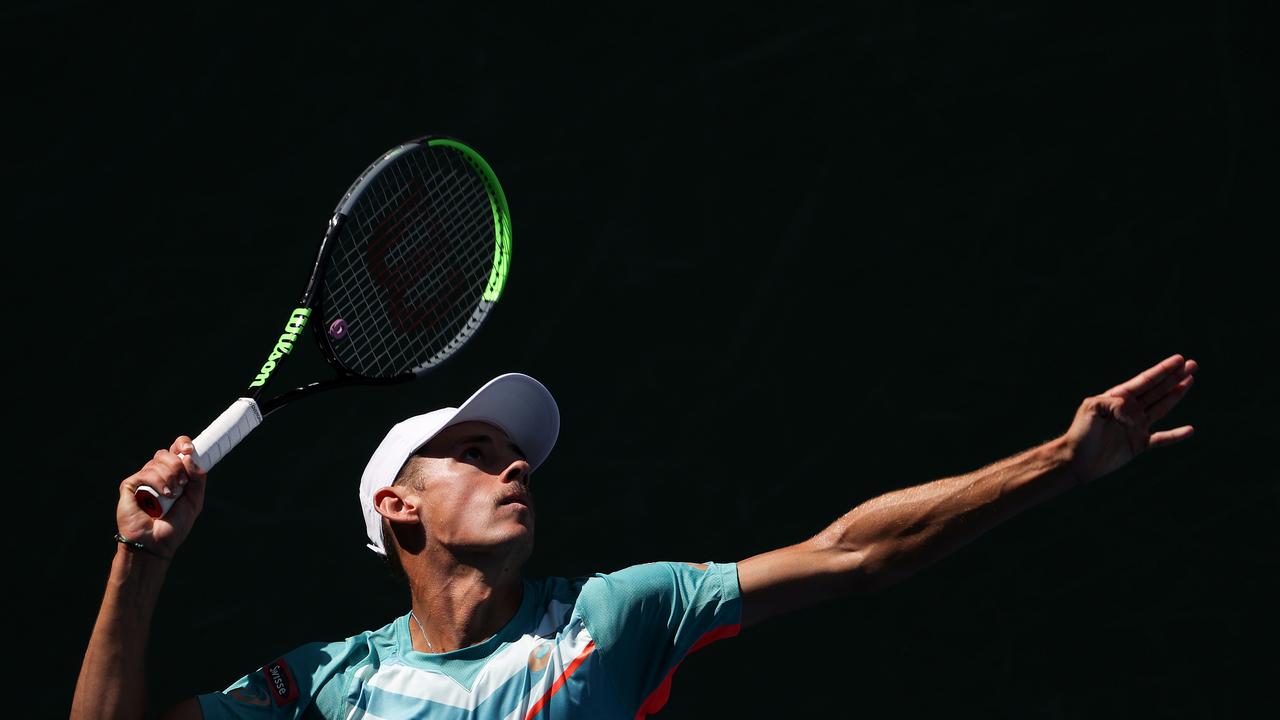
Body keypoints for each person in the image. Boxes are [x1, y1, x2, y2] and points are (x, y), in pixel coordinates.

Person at [72, 355, 1198, 719]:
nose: (513, 463)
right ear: (395, 509)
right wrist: (143, 556)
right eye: (471, 452)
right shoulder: (321, 686)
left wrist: (1057, 461)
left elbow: (851, 550)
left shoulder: (618, 614)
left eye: (514, 454)